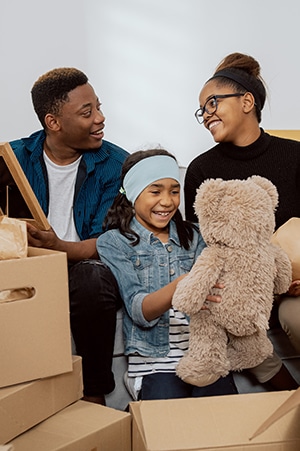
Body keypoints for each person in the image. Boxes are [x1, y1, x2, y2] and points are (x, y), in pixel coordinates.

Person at [9, 67, 129, 404]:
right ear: (53, 122)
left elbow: (109, 245)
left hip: (87, 266)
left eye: (99, 107)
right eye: (87, 112)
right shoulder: (15, 158)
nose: (100, 119)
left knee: (92, 278)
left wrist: (57, 247)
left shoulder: (115, 164)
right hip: (30, 264)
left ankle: (95, 392)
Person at [184, 52, 300, 390]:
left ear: (247, 101)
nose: (206, 115)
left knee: (295, 316)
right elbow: (197, 242)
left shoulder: (294, 157)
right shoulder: (201, 171)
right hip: (238, 287)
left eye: (213, 103)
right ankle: (286, 392)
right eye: (202, 110)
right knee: (225, 318)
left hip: (291, 283)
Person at [96, 148, 238, 400]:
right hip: (154, 364)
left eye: (174, 191)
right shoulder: (113, 243)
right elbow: (140, 311)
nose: (167, 201)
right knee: (168, 424)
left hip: (202, 355)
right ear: (133, 194)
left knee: (224, 418)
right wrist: (182, 285)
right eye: (155, 191)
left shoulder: (196, 236)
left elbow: (218, 296)